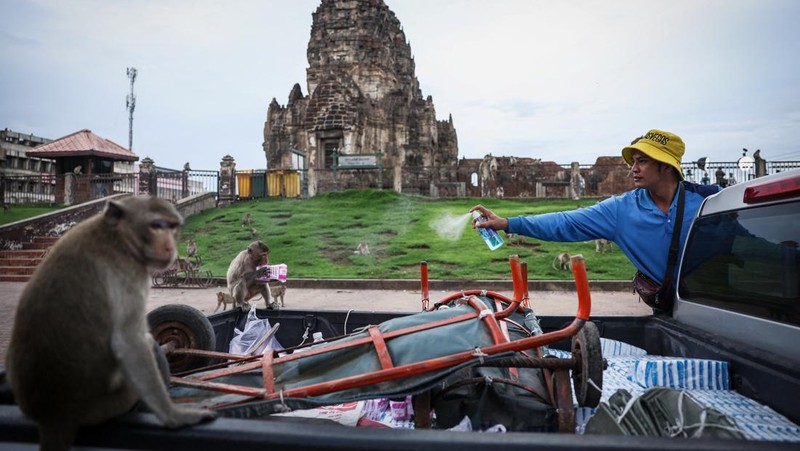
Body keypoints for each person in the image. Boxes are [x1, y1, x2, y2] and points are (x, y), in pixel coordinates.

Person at [470, 129, 721, 311]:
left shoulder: (709, 202)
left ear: (667, 166)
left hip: (719, 304)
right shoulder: (621, 210)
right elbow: (566, 222)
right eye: (634, 162)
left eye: (642, 161)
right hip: (668, 309)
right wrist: (508, 223)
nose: (633, 168)